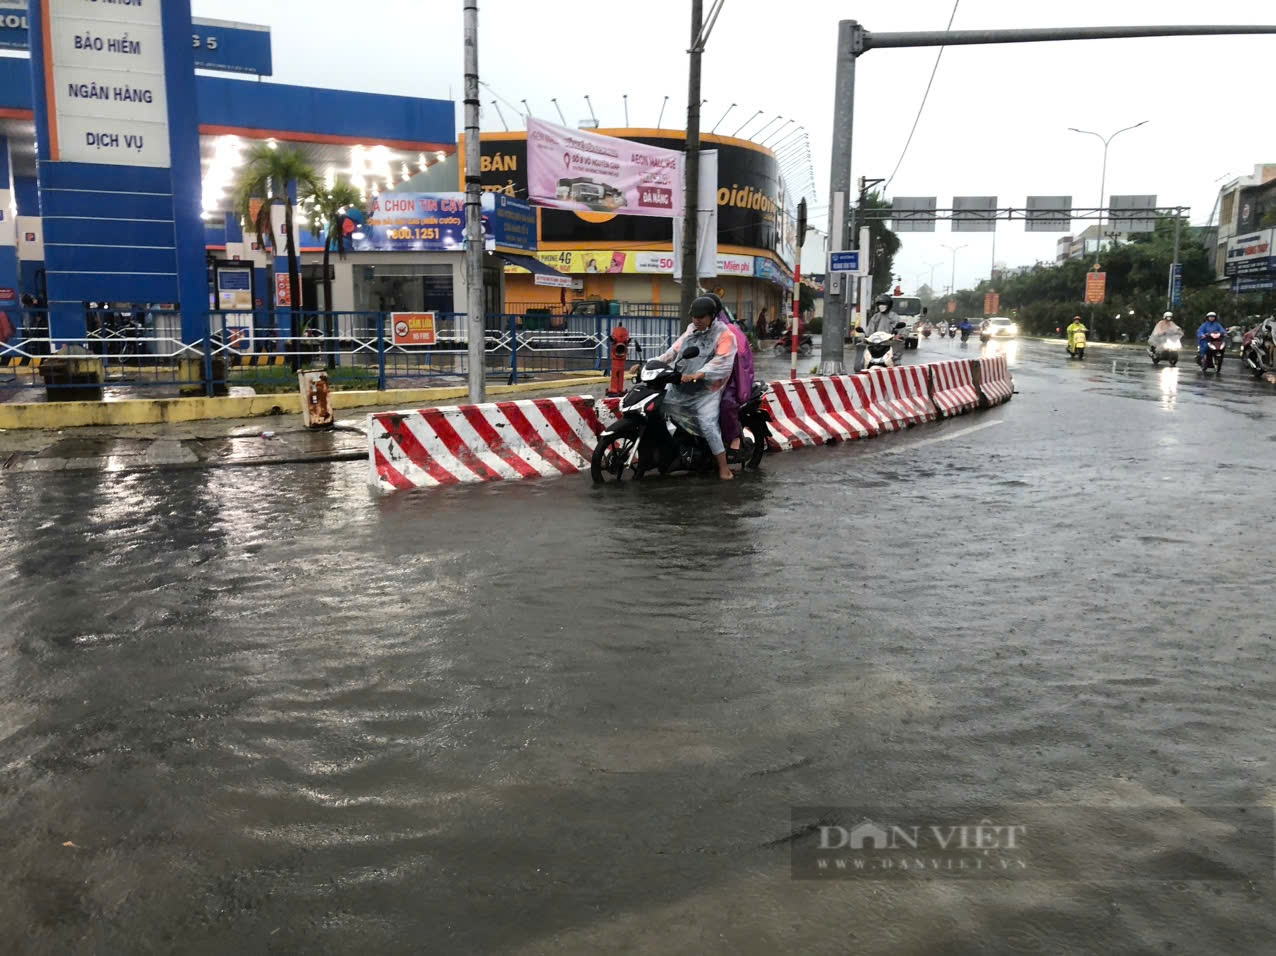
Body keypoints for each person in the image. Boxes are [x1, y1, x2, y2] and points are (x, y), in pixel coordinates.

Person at [655, 295, 739, 480]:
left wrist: (700, 373)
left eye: (701, 317)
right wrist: (653, 363)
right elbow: (674, 351)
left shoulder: (725, 335)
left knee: (708, 424)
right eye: (694, 317)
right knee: (656, 407)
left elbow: (722, 361)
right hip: (681, 385)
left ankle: (724, 469)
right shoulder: (691, 331)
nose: (697, 320)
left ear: (712, 316)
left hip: (706, 391)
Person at [706, 293, 755, 462]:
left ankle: (734, 441)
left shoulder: (731, 331)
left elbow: (739, 356)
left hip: (732, 380)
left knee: (726, 404)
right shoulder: (699, 330)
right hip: (707, 379)